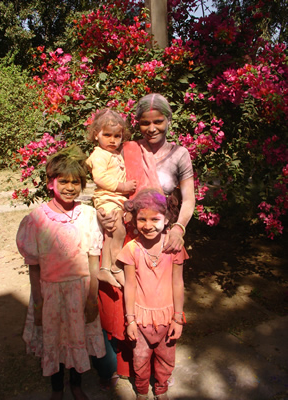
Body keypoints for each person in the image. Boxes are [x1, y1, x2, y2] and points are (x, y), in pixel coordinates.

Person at [97, 93, 195, 379]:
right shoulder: (126, 149)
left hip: (163, 237)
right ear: (137, 123)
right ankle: (127, 369)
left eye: (158, 121)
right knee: (121, 299)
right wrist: (103, 210)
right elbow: (107, 182)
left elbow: (188, 200)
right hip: (127, 233)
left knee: (159, 297)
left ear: (168, 120)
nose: (152, 128)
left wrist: (179, 228)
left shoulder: (180, 154)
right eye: (144, 123)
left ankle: (159, 368)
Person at [16, 145, 106, 400]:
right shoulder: (36, 220)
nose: (69, 187)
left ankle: (76, 386)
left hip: (80, 294)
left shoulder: (88, 216)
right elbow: (34, 266)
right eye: (63, 181)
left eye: (75, 182)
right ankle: (57, 390)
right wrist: (38, 302)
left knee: (77, 340)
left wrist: (92, 299)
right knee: (54, 343)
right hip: (50, 296)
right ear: (50, 183)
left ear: (82, 184)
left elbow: (93, 259)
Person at [118, 189, 188, 400]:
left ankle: (161, 388)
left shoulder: (174, 247)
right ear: (134, 219)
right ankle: (141, 390)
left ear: (166, 219)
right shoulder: (132, 249)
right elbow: (129, 286)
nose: (148, 225)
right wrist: (130, 320)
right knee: (140, 359)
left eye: (154, 219)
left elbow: (178, 283)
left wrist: (178, 318)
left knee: (166, 358)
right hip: (140, 319)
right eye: (142, 219)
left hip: (167, 318)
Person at [86, 109, 137, 288]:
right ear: (95, 135)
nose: (112, 139)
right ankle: (116, 266)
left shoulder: (115, 153)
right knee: (119, 231)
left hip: (116, 199)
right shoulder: (99, 155)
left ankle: (104, 269)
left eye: (117, 135)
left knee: (111, 233)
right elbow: (99, 178)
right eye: (107, 135)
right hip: (107, 198)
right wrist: (123, 187)